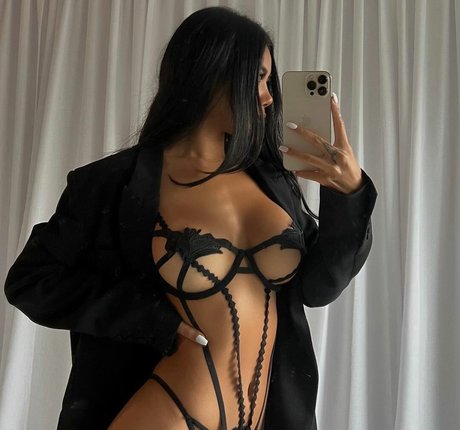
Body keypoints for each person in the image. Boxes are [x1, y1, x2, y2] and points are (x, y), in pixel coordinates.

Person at [4, 6, 377, 430]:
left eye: (269, 80)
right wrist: (146, 317)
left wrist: (348, 195)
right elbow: (31, 281)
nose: (269, 96)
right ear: (210, 73)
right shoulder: (112, 183)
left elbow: (318, 288)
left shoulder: (274, 181)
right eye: (258, 77)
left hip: (266, 417)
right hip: (167, 411)